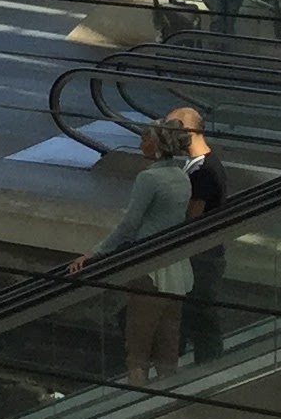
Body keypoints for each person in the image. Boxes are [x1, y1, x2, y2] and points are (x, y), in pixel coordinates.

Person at [70, 118, 194, 382]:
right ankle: (169, 394)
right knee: (168, 341)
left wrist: (95, 252)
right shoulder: (182, 176)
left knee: (138, 344)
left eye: (145, 138)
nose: (141, 143)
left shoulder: (148, 178)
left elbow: (129, 224)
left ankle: (138, 396)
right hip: (177, 269)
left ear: (157, 145)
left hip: (149, 269)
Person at [170, 104, 230, 367]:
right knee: (196, 316)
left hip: (201, 258)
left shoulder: (203, 171)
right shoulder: (200, 165)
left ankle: (207, 366)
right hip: (205, 256)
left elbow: (192, 217)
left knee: (200, 314)